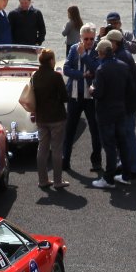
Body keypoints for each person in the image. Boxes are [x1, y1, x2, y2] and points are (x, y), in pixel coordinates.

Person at [90, 39, 131, 189]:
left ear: (101, 53)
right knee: (122, 144)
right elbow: (128, 88)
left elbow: (99, 93)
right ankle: (126, 175)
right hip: (120, 109)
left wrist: (92, 90)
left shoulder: (101, 70)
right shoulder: (123, 66)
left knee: (109, 146)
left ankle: (108, 179)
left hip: (106, 112)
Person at [107, 28, 136, 178]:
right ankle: (127, 166)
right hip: (132, 102)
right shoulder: (123, 54)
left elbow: (121, 83)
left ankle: (133, 169)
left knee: (128, 134)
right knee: (126, 134)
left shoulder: (121, 56)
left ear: (114, 43)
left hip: (129, 103)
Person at [63, 24, 101, 173]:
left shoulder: (98, 50)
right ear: (80, 38)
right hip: (75, 96)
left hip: (91, 97)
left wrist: (84, 56)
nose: (89, 42)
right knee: (70, 130)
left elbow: (97, 69)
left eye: (92, 38)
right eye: (86, 39)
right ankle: (65, 160)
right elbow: (66, 69)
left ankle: (96, 162)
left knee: (95, 130)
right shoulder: (74, 49)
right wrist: (82, 75)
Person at [30, 48, 69, 192]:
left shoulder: (35, 75)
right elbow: (64, 97)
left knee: (42, 149)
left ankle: (43, 180)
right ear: (51, 60)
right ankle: (58, 181)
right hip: (56, 117)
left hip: (41, 117)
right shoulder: (56, 76)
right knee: (57, 149)